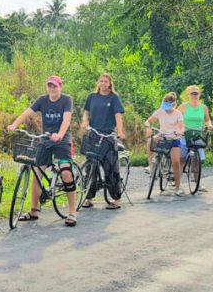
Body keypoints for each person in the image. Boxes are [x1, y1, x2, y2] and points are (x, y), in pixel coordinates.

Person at [7, 75, 78, 227]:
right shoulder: (42, 100)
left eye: (55, 86)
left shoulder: (66, 100)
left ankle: (72, 212)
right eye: (49, 86)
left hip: (62, 140)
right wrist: (15, 124)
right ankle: (34, 210)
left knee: (66, 172)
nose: (52, 88)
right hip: (45, 139)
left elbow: (67, 119)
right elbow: (28, 112)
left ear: (60, 86)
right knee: (37, 171)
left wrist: (60, 134)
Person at [79, 73, 126, 210]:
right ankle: (88, 198)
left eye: (106, 81)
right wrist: (85, 121)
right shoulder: (92, 97)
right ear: (98, 83)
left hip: (108, 136)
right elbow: (86, 112)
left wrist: (120, 131)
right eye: (101, 81)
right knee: (90, 167)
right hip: (93, 134)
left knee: (110, 168)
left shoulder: (114, 98)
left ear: (110, 84)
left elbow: (118, 117)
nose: (103, 83)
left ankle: (116, 199)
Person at [144, 92, 185, 196]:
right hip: (162, 136)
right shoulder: (160, 111)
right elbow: (148, 121)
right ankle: (150, 165)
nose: (166, 108)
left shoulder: (178, 114)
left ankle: (177, 187)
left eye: (168, 105)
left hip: (174, 138)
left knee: (175, 162)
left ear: (173, 105)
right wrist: (148, 127)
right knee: (150, 141)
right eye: (165, 104)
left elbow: (181, 127)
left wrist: (180, 131)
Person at [178, 85, 213, 192]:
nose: (194, 95)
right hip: (185, 135)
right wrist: (180, 128)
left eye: (196, 93)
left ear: (199, 95)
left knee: (197, 161)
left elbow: (207, 120)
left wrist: (209, 125)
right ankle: (178, 184)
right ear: (188, 95)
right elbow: (176, 118)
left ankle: (197, 183)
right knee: (181, 160)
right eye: (192, 93)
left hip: (197, 135)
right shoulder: (183, 107)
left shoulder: (203, 107)